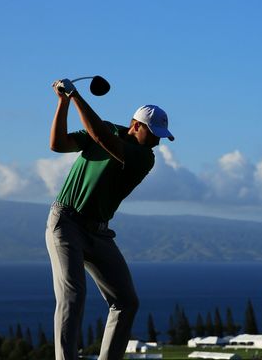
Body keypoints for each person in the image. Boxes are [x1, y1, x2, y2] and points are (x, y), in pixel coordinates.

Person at [46, 78, 174, 360]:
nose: (156, 141)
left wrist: (76, 95)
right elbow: (58, 144)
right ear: (136, 125)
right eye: (152, 133)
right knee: (72, 296)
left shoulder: (144, 158)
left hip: (99, 233)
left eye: (160, 136)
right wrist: (63, 102)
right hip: (65, 222)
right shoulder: (107, 129)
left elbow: (103, 139)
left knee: (126, 302)